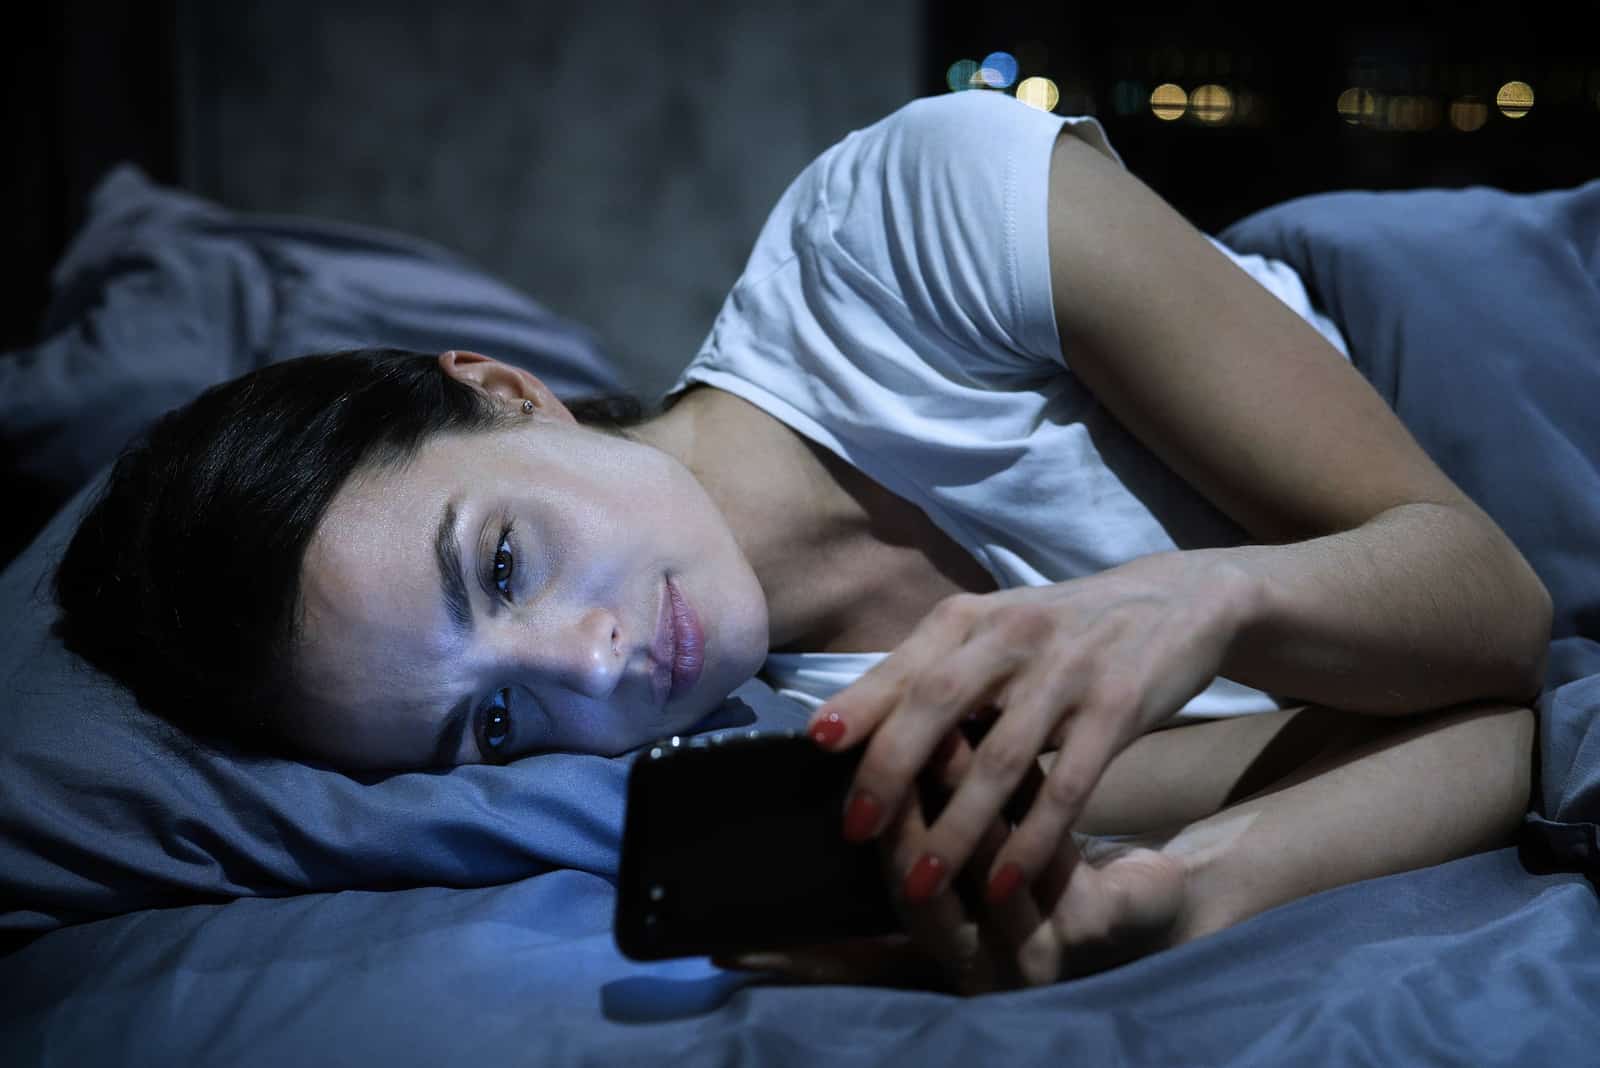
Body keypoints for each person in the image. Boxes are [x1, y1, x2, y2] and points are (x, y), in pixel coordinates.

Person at [53, 90, 1550, 993]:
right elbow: (1494, 721)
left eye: (499, 565)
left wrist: (1197, 605)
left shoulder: (912, 222)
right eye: (494, 721)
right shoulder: (809, 745)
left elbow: (1490, 601)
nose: (594, 668)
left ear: (507, 391)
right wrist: (1200, 894)